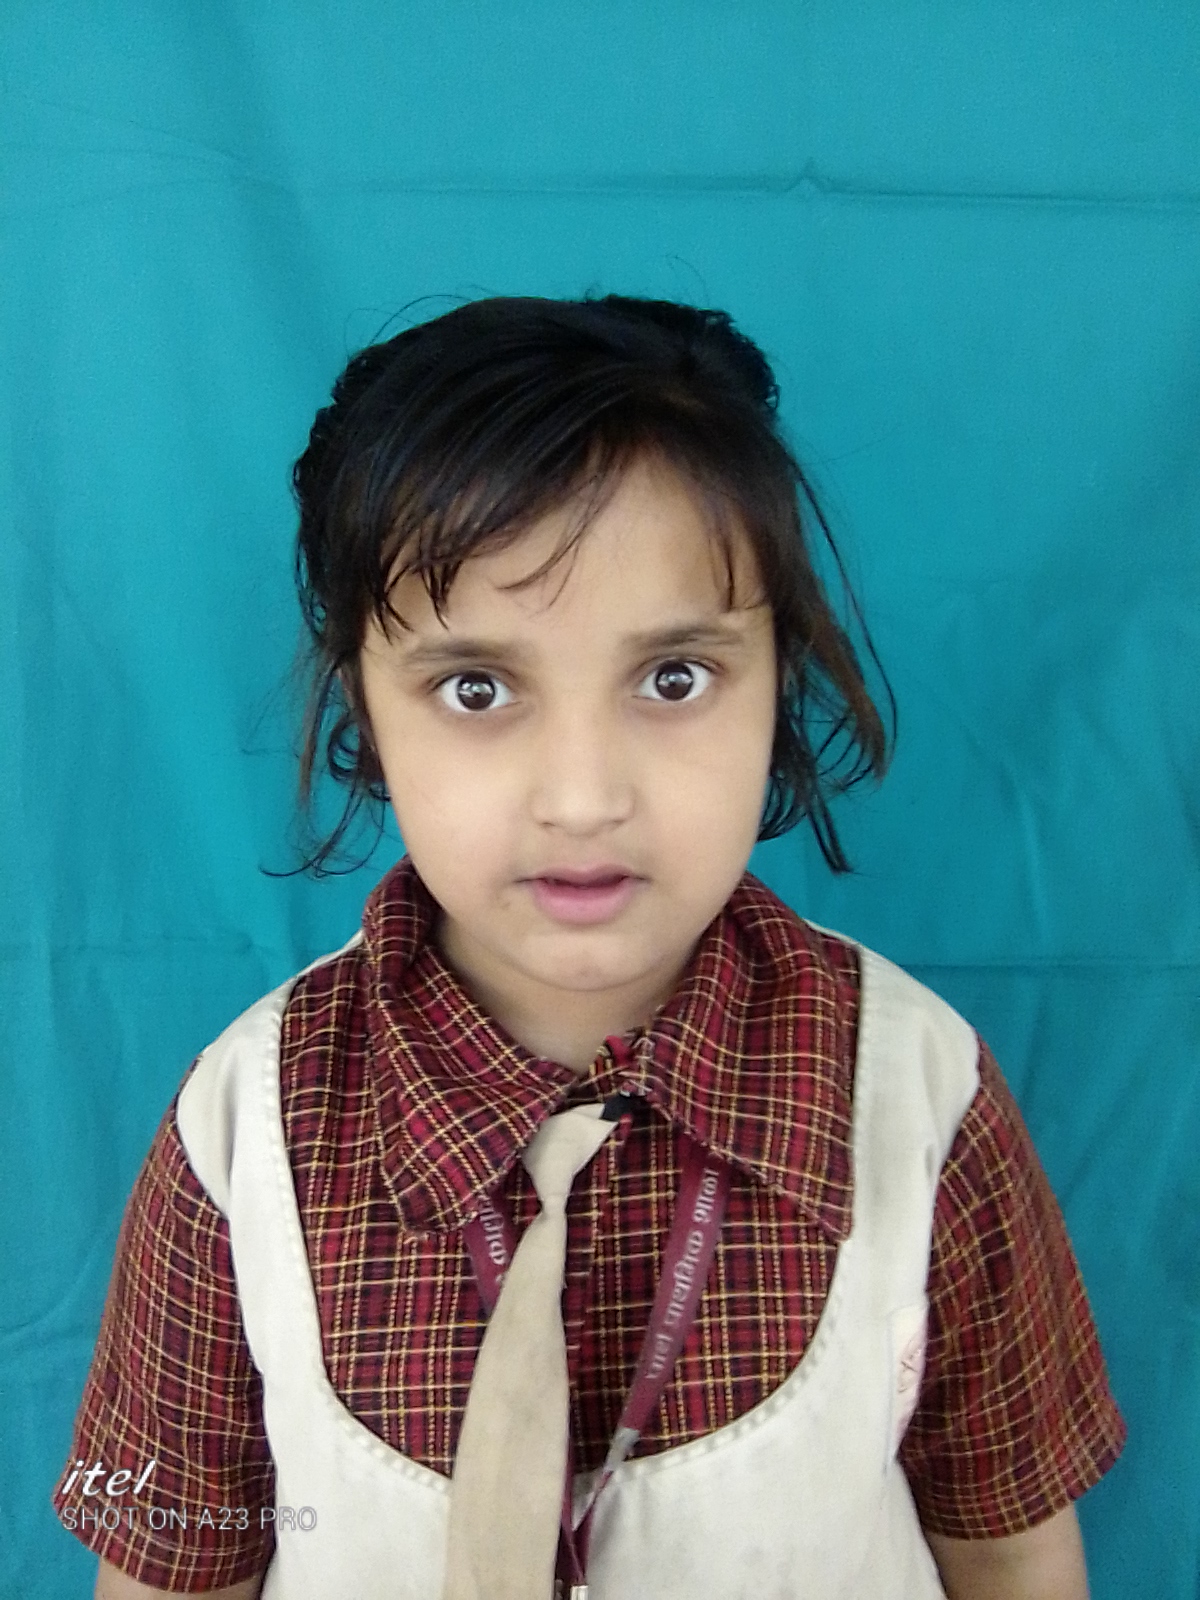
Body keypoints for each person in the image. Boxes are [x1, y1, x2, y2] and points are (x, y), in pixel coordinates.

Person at [53, 295, 1125, 1599]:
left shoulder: (923, 1096)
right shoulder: (241, 1133)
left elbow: (1010, 1545)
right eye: (476, 688)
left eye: (674, 678)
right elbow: (169, 1565)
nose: (582, 797)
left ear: (777, 683)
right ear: (366, 712)